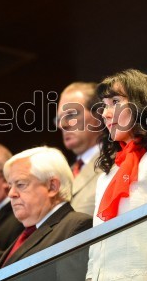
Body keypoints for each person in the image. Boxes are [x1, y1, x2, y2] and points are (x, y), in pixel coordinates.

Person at [86, 69, 147, 281]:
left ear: (141, 103)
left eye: (115, 101)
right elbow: (96, 251)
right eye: (104, 105)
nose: (105, 113)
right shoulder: (107, 173)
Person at [0, 146, 92, 275]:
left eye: (20, 184)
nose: (11, 194)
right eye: (10, 185)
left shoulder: (77, 227)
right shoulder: (27, 234)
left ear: (52, 187)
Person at [56, 82, 103, 216]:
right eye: (59, 118)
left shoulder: (117, 161)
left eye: (71, 115)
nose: (62, 125)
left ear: (99, 115)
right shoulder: (63, 176)